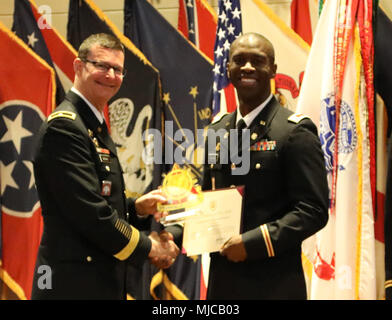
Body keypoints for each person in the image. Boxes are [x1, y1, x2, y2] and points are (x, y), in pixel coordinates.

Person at [31, 33, 179, 299]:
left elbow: (100, 199)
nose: (110, 75)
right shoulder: (65, 127)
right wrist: (150, 247)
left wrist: (136, 208)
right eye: (101, 65)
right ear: (78, 66)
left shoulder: (91, 124)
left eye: (118, 69)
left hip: (97, 280)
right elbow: (91, 213)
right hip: (71, 285)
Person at [202, 33, 329, 299]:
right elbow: (207, 201)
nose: (247, 67)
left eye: (257, 61)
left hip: (274, 283)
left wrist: (253, 243)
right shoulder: (217, 129)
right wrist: (173, 230)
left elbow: (313, 210)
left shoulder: (294, 131)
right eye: (239, 60)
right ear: (228, 69)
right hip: (223, 283)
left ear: (272, 70)